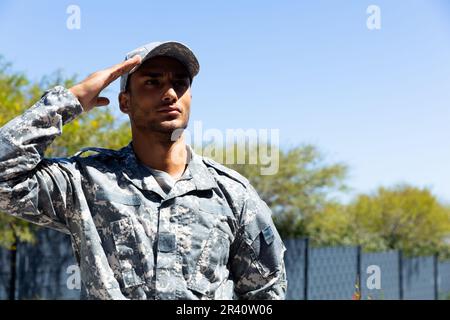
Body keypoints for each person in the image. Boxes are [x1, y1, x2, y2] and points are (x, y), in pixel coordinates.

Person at [0, 41, 287, 300]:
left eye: (180, 83)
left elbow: (266, 294)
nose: (170, 93)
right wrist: (70, 101)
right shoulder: (86, 181)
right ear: (125, 102)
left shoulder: (232, 195)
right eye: (153, 82)